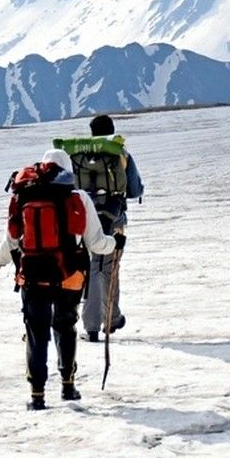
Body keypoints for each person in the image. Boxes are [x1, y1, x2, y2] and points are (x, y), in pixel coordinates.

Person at [0, 148, 125, 410]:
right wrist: (115, 242)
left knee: (36, 333)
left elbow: (12, 239)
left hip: (32, 277)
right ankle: (68, 385)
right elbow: (96, 243)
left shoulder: (24, 195)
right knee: (65, 327)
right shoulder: (77, 196)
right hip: (68, 276)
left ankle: (37, 395)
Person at [80, 114, 143, 343]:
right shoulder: (121, 154)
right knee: (110, 267)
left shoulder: (80, 154)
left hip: (87, 219)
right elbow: (134, 189)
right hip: (115, 219)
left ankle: (92, 326)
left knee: (92, 268)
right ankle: (112, 319)